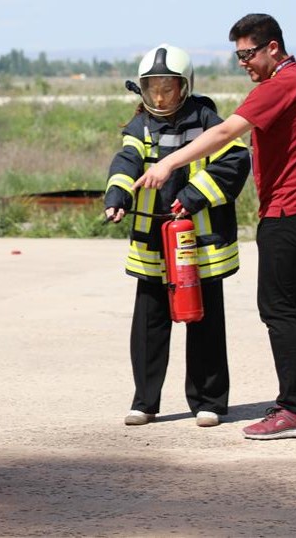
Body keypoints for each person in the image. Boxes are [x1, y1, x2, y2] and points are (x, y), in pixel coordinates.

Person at [133, 14, 296, 440]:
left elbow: (227, 131)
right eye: (238, 54)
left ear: (272, 48)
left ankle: (295, 410)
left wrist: (170, 161)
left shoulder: (280, 85)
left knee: (278, 309)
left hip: (289, 211)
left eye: (248, 54)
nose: (243, 62)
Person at [104, 43, 250, 428]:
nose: (159, 96)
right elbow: (127, 160)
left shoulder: (206, 118)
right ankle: (145, 402)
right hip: (153, 240)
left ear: (185, 87)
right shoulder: (140, 126)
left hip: (201, 244)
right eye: (151, 88)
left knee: (204, 321)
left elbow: (236, 159)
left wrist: (191, 196)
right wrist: (116, 195)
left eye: (167, 88)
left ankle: (210, 403)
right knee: (149, 323)